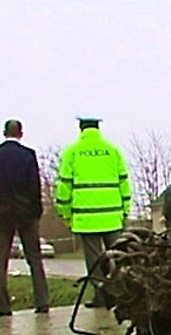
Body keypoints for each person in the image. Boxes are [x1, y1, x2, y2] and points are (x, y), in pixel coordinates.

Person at [0, 119, 50, 316]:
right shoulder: (28, 155)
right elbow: (34, 186)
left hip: (2, 214)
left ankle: (3, 307)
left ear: (3, 133)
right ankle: (42, 302)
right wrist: (37, 210)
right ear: (21, 134)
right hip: (26, 214)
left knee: (1, 261)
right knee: (34, 259)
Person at [57, 116, 131, 308]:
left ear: (81, 129)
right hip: (112, 214)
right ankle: (122, 292)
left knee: (94, 259)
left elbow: (65, 186)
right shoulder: (112, 151)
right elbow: (124, 181)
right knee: (117, 256)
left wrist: (65, 213)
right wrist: (125, 209)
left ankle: (101, 295)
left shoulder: (72, 152)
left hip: (86, 216)